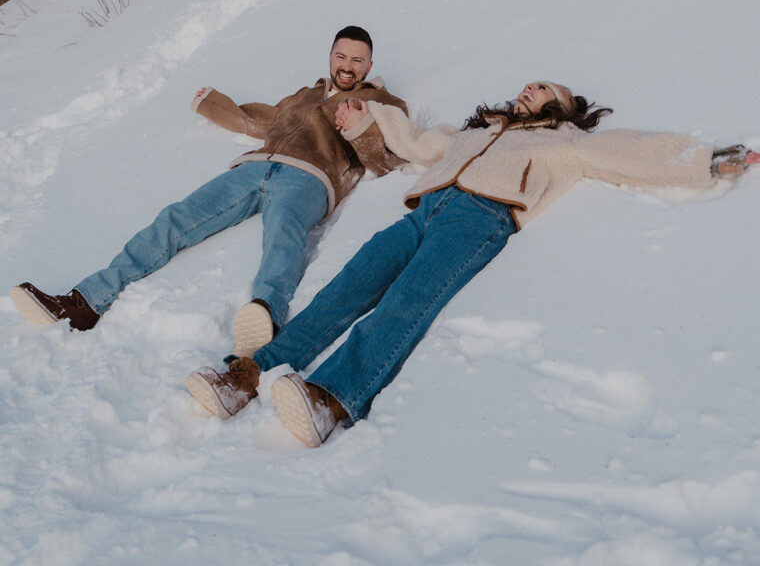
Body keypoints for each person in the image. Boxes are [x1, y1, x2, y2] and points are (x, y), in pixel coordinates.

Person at [185, 80, 758, 447]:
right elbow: (414, 142)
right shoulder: (478, 131)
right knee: (348, 285)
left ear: (563, 107)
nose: (531, 87)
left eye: (546, 88)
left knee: (410, 299)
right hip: (425, 210)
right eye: (529, 83)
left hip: (480, 219)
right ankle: (247, 376)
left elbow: (631, 151)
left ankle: (330, 399)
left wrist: (707, 159)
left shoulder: (565, 142)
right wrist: (367, 119)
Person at [10, 26, 407, 356]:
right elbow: (263, 120)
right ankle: (84, 303)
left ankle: (265, 314)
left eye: (357, 60)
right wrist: (213, 105)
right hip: (256, 167)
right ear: (331, 56)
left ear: (369, 65)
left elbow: (386, 160)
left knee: (283, 234)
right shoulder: (306, 94)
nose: (347, 66)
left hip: (309, 178)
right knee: (175, 218)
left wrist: (359, 127)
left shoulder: (381, 102)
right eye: (342, 57)